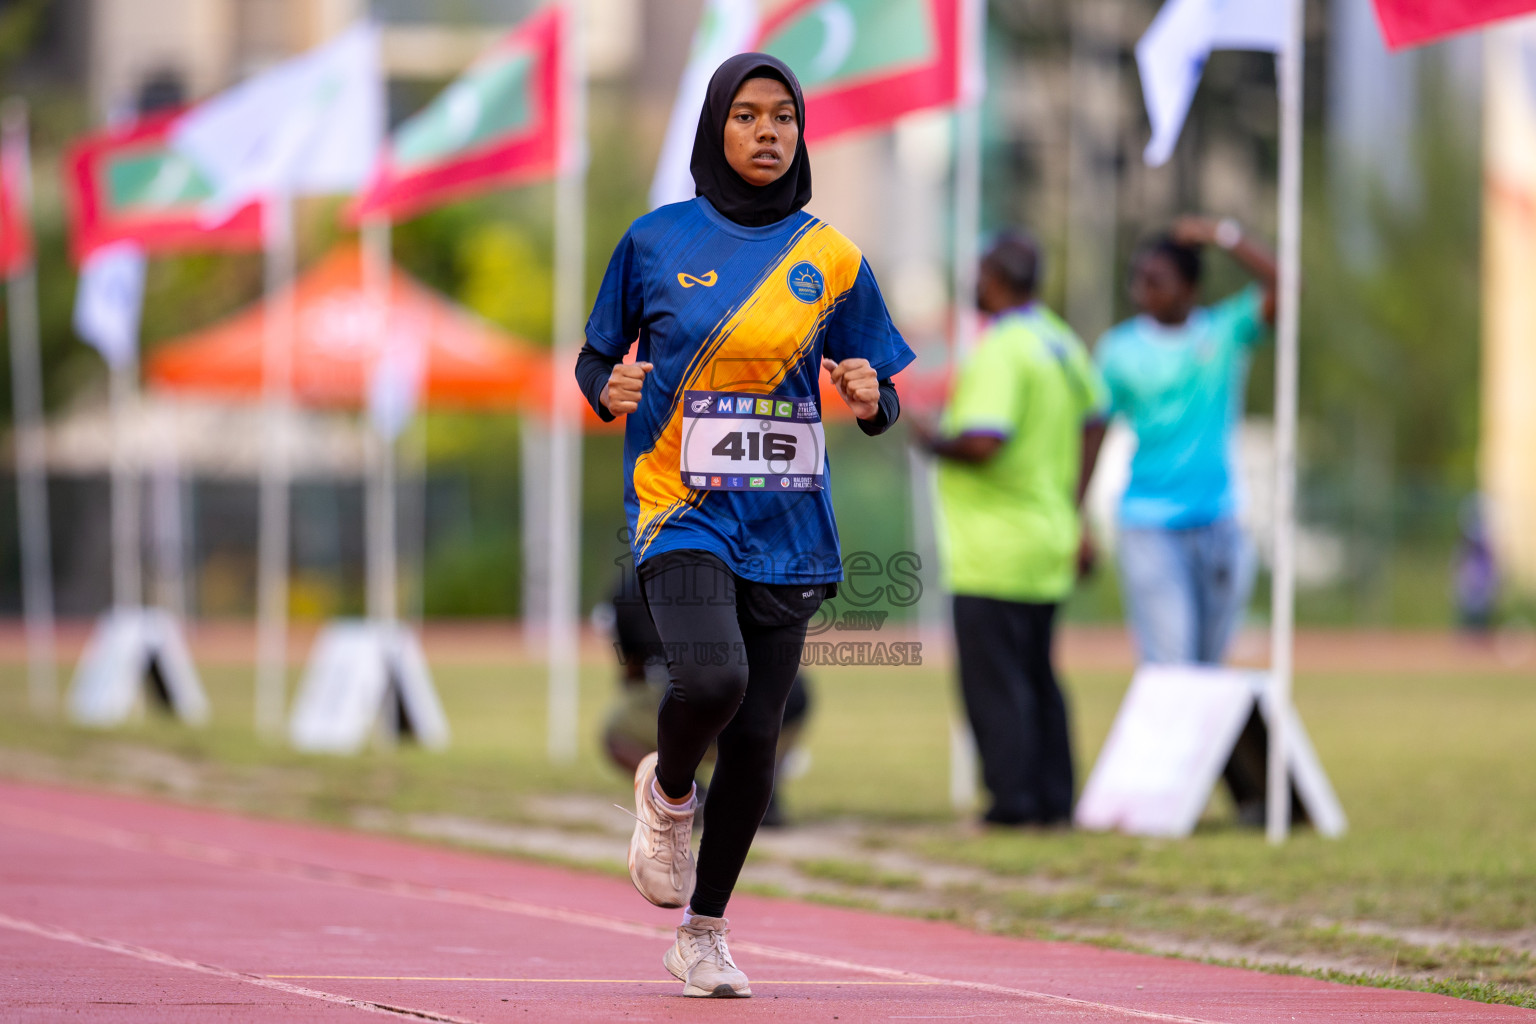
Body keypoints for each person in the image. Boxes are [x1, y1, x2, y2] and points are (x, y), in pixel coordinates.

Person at [574, 53, 913, 999]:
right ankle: (669, 789)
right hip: (679, 510)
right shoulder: (652, 242)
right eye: (748, 116)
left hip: (789, 519)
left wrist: (868, 391)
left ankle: (704, 933)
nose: (768, 132)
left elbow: (884, 397)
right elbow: (594, 361)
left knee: (759, 735)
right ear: (715, 129)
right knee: (712, 677)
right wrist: (611, 385)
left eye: (784, 117)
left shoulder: (832, 257)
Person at [915, 233, 1108, 828]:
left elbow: (983, 439)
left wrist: (931, 439)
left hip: (993, 545)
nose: (972, 283)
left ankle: (1013, 803)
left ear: (996, 279)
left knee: (994, 683)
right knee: (1037, 675)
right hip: (1046, 534)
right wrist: (1072, 505)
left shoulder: (1001, 349)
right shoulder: (1058, 340)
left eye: (978, 273)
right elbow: (1097, 417)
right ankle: (1053, 797)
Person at [1095, 216, 1277, 667]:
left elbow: (1285, 286)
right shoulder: (1119, 350)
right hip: (1148, 521)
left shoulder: (1223, 332)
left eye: (1157, 281)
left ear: (1190, 288)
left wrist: (1222, 235)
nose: (1144, 292)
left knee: (1209, 665)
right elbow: (1093, 430)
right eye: (1139, 280)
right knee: (1172, 660)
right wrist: (1076, 511)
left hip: (1218, 521)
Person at [597, 570, 814, 827]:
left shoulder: (634, 586)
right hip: (772, 706)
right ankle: (758, 790)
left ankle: (686, 795)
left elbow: (633, 674)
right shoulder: (742, 563)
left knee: (622, 730)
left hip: (708, 704)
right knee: (773, 695)